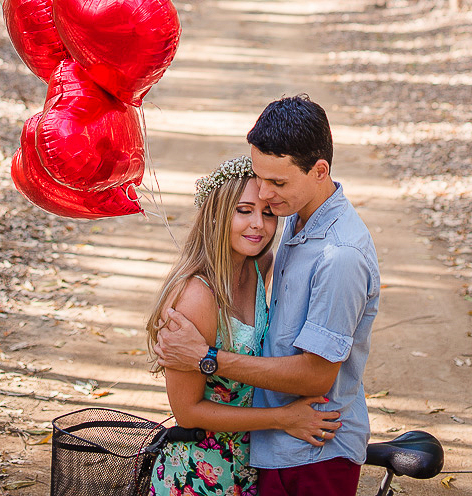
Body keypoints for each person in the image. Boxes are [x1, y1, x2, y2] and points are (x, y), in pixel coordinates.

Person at [154, 96, 380, 496]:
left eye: (277, 184)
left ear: (319, 171)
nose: (266, 199)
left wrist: (206, 358)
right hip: (254, 452)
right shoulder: (292, 216)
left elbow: (316, 374)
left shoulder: (339, 255)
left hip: (313, 447)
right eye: (260, 179)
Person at [146, 155, 341, 496]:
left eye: (268, 213)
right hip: (198, 474)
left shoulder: (254, 266)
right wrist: (283, 417)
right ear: (217, 213)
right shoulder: (196, 298)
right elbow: (188, 412)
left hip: (248, 467)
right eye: (244, 210)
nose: (259, 225)